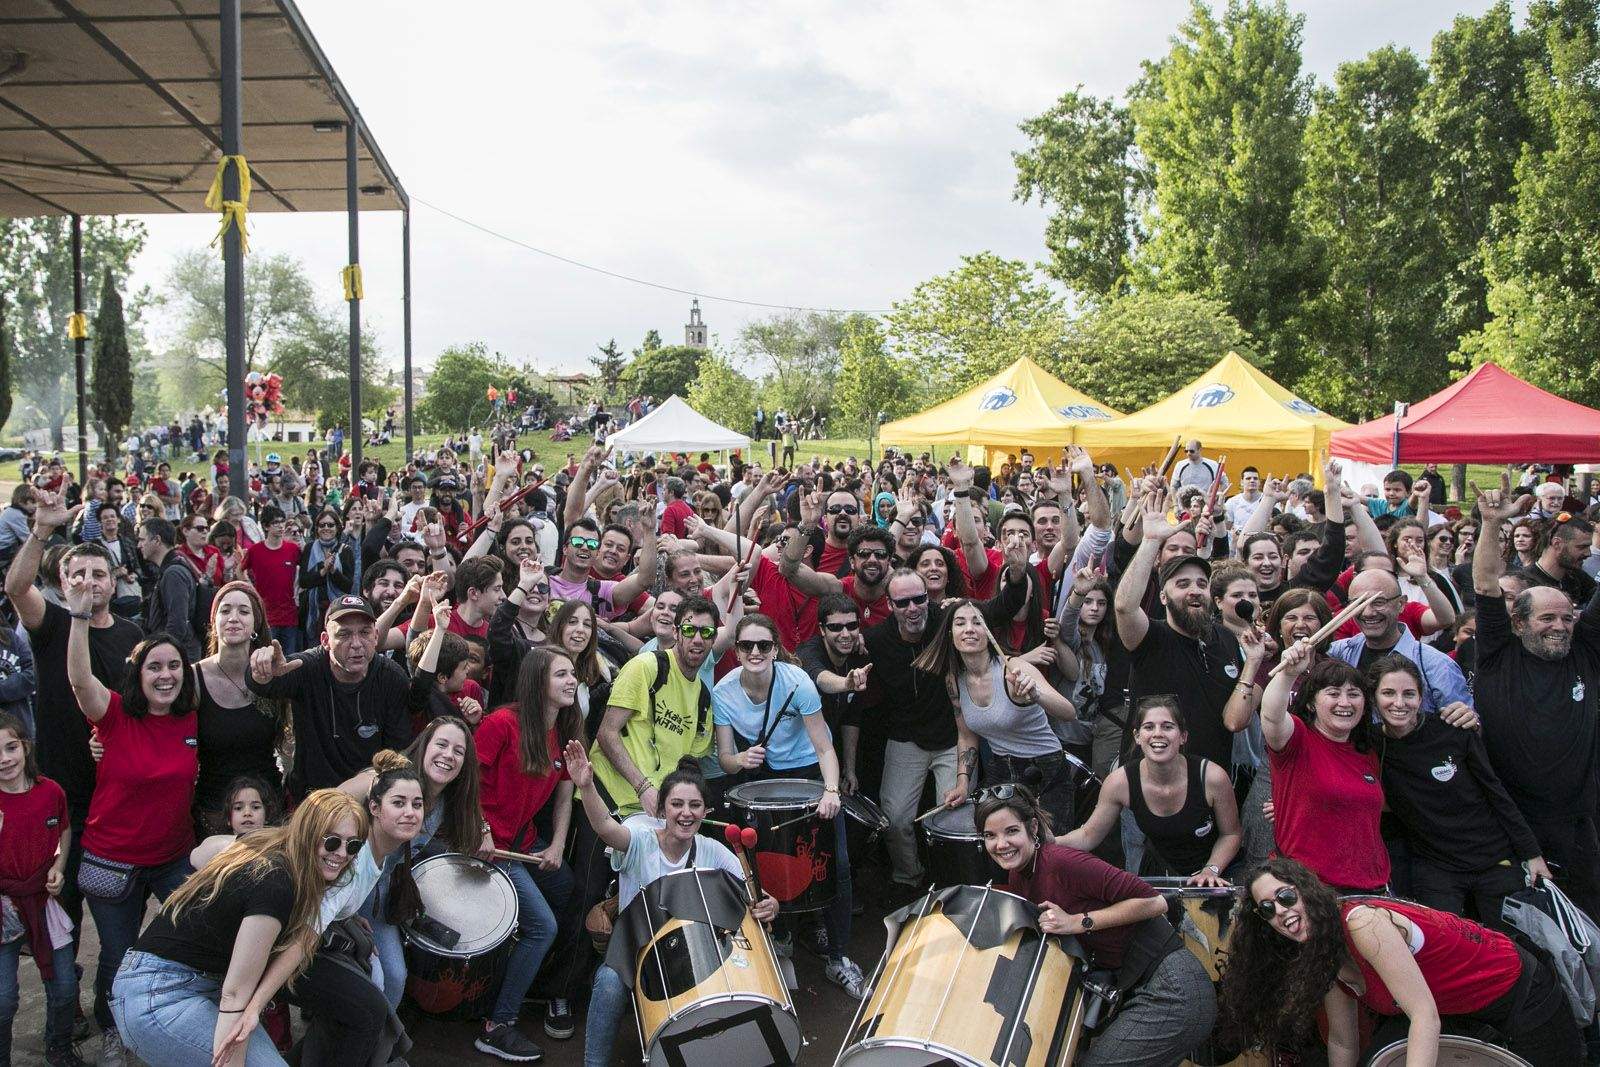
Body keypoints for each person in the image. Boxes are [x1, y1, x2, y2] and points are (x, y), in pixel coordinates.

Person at [1222, 858, 1582, 1067]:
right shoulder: (1321, 958)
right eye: (1267, 908)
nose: (1280, 911)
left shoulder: (1362, 922)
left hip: (1519, 992)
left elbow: (1424, 1015)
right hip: (1463, 1011)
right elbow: (1343, 1043)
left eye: (1285, 896)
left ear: (1307, 891)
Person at [109, 789, 369, 1067]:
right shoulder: (277, 881)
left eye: (353, 846)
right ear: (308, 833)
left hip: (193, 984)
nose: (342, 854)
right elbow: (235, 995)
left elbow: (198, 855)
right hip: (160, 993)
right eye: (332, 841)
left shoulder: (271, 846)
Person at [566, 749, 778, 1067]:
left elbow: (756, 895)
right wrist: (586, 786)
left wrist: (771, 904)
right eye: (677, 804)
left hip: (696, 949)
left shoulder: (714, 851)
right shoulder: (641, 840)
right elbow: (606, 827)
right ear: (662, 808)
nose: (685, 813)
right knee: (609, 983)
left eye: (695, 805)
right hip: (636, 949)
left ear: (706, 810)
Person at [978, 784, 1214, 1066]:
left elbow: (1156, 902)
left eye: (1011, 831)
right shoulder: (1018, 873)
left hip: (1172, 989)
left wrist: (1078, 922)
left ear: (1033, 828)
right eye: (990, 836)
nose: (1001, 844)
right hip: (1131, 990)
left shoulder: (1061, 862)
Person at [65, 583, 199, 1067]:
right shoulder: (115, 714)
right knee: (117, 954)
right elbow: (80, 681)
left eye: (174, 666)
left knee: (197, 935)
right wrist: (79, 618)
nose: (165, 675)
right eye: (154, 667)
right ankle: (114, 1031)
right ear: (137, 674)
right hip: (113, 859)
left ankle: (182, 1020)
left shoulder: (192, 717)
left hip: (173, 858)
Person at [712, 614, 864, 996]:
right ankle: (780, 942)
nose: (755, 652)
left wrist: (831, 790)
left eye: (764, 645)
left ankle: (839, 955)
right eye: (747, 645)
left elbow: (824, 746)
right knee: (767, 866)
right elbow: (725, 758)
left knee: (836, 863)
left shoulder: (797, 683)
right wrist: (740, 760)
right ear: (736, 651)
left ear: (776, 649)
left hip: (807, 772)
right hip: (763, 777)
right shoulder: (724, 691)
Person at [1471, 469, 1600, 918]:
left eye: (1566, 618)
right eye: (1547, 619)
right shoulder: (1497, 653)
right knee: (1524, 928)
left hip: (1578, 823)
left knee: (1587, 924)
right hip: (1508, 821)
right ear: (1519, 622)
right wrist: (1491, 524)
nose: (1559, 626)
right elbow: (1486, 583)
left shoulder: (1584, 651)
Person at [1367, 654, 1550, 930]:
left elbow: (1495, 793)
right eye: (1389, 693)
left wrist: (1532, 854)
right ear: (1374, 698)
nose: (1399, 703)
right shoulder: (1369, 743)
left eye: (1409, 694)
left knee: (1510, 944)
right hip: (1435, 866)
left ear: (1421, 697)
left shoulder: (1452, 730)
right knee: (1443, 940)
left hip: (1491, 857)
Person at [477, 648, 585, 1042]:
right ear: (538, 682)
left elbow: (564, 796)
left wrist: (556, 845)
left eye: (572, 673)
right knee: (543, 928)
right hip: (491, 847)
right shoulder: (501, 723)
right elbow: (464, 783)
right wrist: (481, 829)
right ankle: (498, 1023)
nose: (571, 681)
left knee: (568, 889)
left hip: (524, 842)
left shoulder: (563, 731)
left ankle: (526, 971)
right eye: (561, 674)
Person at [1116, 488, 1261, 770]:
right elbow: (1124, 607)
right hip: (1149, 782)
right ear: (1163, 597)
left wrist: (1254, 662)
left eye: (1201, 584)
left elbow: (1235, 721)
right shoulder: (1151, 638)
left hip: (1210, 780)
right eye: (1182, 584)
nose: (1194, 590)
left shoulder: (1226, 639)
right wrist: (1151, 541)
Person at [913, 599, 1080, 827]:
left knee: (1045, 843)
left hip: (1044, 769)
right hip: (1000, 768)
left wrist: (1036, 694)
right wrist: (962, 784)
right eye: (960, 623)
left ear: (989, 632)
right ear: (951, 634)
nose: (969, 629)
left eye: (977, 622)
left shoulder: (1014, 669)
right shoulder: (954, 679)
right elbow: (966, 735)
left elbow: (1069, 712)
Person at [1058, 697, 1240, 884]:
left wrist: (1211, 870)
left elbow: (1231, 835)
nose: (1158, 734)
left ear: (1183, 736)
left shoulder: (1212, 777)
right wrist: (1051, 841)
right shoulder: (1119, 782)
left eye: (1167, 727)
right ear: (1137, 736)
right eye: (1149, 727)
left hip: (1218, 871)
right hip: (1164, 873)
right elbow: (1088, 835)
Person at [247, 594, 410, 800]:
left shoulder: (392, 678)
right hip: (309, 799)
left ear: (376, 636)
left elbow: (395, 753)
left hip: (368, 798)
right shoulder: (308, 667)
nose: (356, 644)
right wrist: (261, 672)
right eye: (344, 634)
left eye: (364, 632)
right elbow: (264, 684)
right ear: (325, 640)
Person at [1261, 642, 1388, 894]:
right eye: (1333, 693)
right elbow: (1271, 716)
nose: (1345, 702)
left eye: (1354, 694)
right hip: (1312, 890)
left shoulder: (1367, 751)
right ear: (1311, 703)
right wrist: (1288, 674)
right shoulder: (1297, 739)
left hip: (1371, 888)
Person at [0, 711, 79, 1067]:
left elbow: (64, 829)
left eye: (11, 747)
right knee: (3, 998)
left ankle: (59, 1049)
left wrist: (58, 868)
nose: (5, 759)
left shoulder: (50, 791)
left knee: (65, 987)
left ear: (25, 747)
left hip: (43, 901)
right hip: (3, 906)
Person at [193, 582, 283, 836]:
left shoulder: (274, 673)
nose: (233, 618)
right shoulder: (193, 679)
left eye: (243, 611)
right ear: (214, 622)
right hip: (213, 812)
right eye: (225, 611)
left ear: (256, 624)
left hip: (267, 811)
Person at [137, 517, 202, 660]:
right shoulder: (172, 568)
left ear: (157, 540)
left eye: (142, 540)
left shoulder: (173, 574)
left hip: (179, 655)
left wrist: (163, 655)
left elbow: (177, 624)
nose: (139, 545)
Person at [243, 507, 303, 653]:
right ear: (265, 526)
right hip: (266, 616)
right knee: (266, 657)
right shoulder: (255, 551)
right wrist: (251, 590)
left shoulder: (293, 549)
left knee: (289, 658)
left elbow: (306, 572)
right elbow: (240, 570)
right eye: (276, 523)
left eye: (282, 522)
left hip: (289, 615)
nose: (281, 526)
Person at [299, 509, 356, 647]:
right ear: (317, 528)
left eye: (330, 525)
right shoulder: (309, 548)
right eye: (322, 525)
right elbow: (304, 581)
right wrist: (323, 571)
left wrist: (333, 571)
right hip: (313, 611)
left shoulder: (345, 550)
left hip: (337, 610)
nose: (326, 528)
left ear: (337, 528)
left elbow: (348, 586)